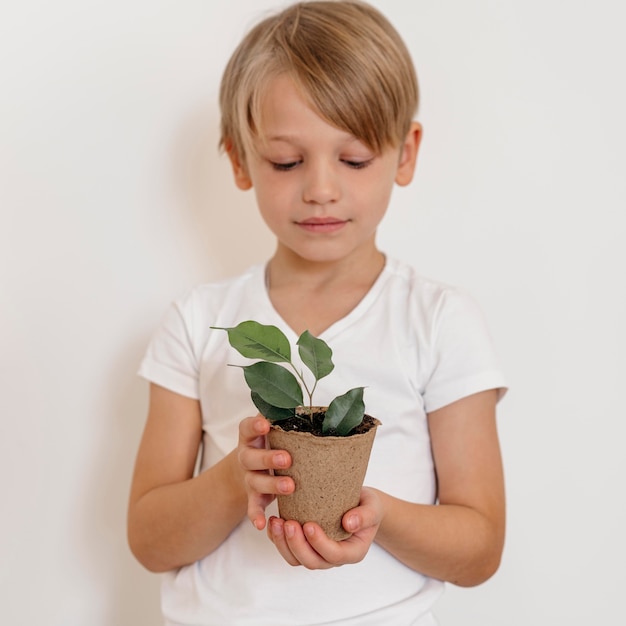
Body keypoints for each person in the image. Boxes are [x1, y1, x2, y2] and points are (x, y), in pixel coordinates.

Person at [127, 1, 507, 624]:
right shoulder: (197, 321)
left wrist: (378, 516)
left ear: (405, 153)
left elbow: (480, 548)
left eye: (353, 159)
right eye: (286, 161)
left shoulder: (439, 321)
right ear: (239, 160)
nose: (321, 188)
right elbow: (149, 540)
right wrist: (233, 480)